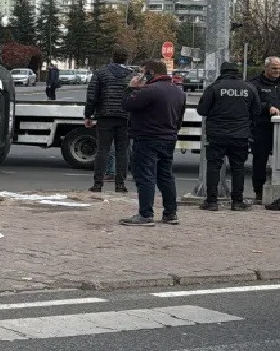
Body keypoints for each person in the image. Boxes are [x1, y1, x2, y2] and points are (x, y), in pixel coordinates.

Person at [119, 60, 187, 226]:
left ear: (151, 72)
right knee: (166, 176)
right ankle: (170, 213)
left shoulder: (150, 90)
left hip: (147, 137)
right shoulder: (178, 92)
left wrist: (132, 87)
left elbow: (126, 104)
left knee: (145, 175)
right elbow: (179, 118)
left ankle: (145, 214)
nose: (142, 75)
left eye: (143, 72)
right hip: (168, 137)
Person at [196, 62, 262, 211]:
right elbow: (257, 110)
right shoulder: (249, 87)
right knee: (238, 168)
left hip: (217, 134)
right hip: (240, 134)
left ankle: (211, 202)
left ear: (222, 71)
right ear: (237, 72)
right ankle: (237, 201)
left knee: (213, 167)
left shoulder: (214, 87)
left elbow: (202, 110)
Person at [85, 50, 134, 193]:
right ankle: (120, 184)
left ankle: (98, 183)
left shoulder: (100, 73)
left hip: (104, 116)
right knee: (122, 151)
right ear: (126, 60)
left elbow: (92, 95)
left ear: (112, 58)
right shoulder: (130, 75)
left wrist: (89, 115)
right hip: (124, 117)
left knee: (102, 150)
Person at [248, 56, 280, 204]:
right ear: (266, 68)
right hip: (262, 127)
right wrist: (268, 107)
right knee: (260, 160)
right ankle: (259, 191)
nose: (277, 71)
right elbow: (251, 103)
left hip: (278, 127)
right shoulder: (255, 83)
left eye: (279, 68)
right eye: (274, 68)